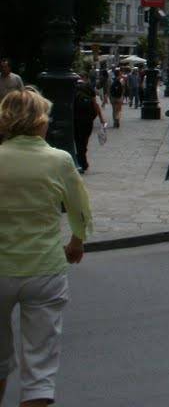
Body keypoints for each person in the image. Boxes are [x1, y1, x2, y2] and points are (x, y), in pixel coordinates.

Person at [0, 86, 92, 407]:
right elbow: (79, 209)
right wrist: (76, 242)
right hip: (44, 269)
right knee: (39, 369)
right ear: (41, 121)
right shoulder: (59, 160)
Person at [73, 76, 105, 172]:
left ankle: (80, 161)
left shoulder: (73, 89)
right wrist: (100, 118)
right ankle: (83, 161)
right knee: (84, 142)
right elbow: (95, 105)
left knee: (77, 141)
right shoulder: (89, 89)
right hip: (87, 121)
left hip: (76, 120)